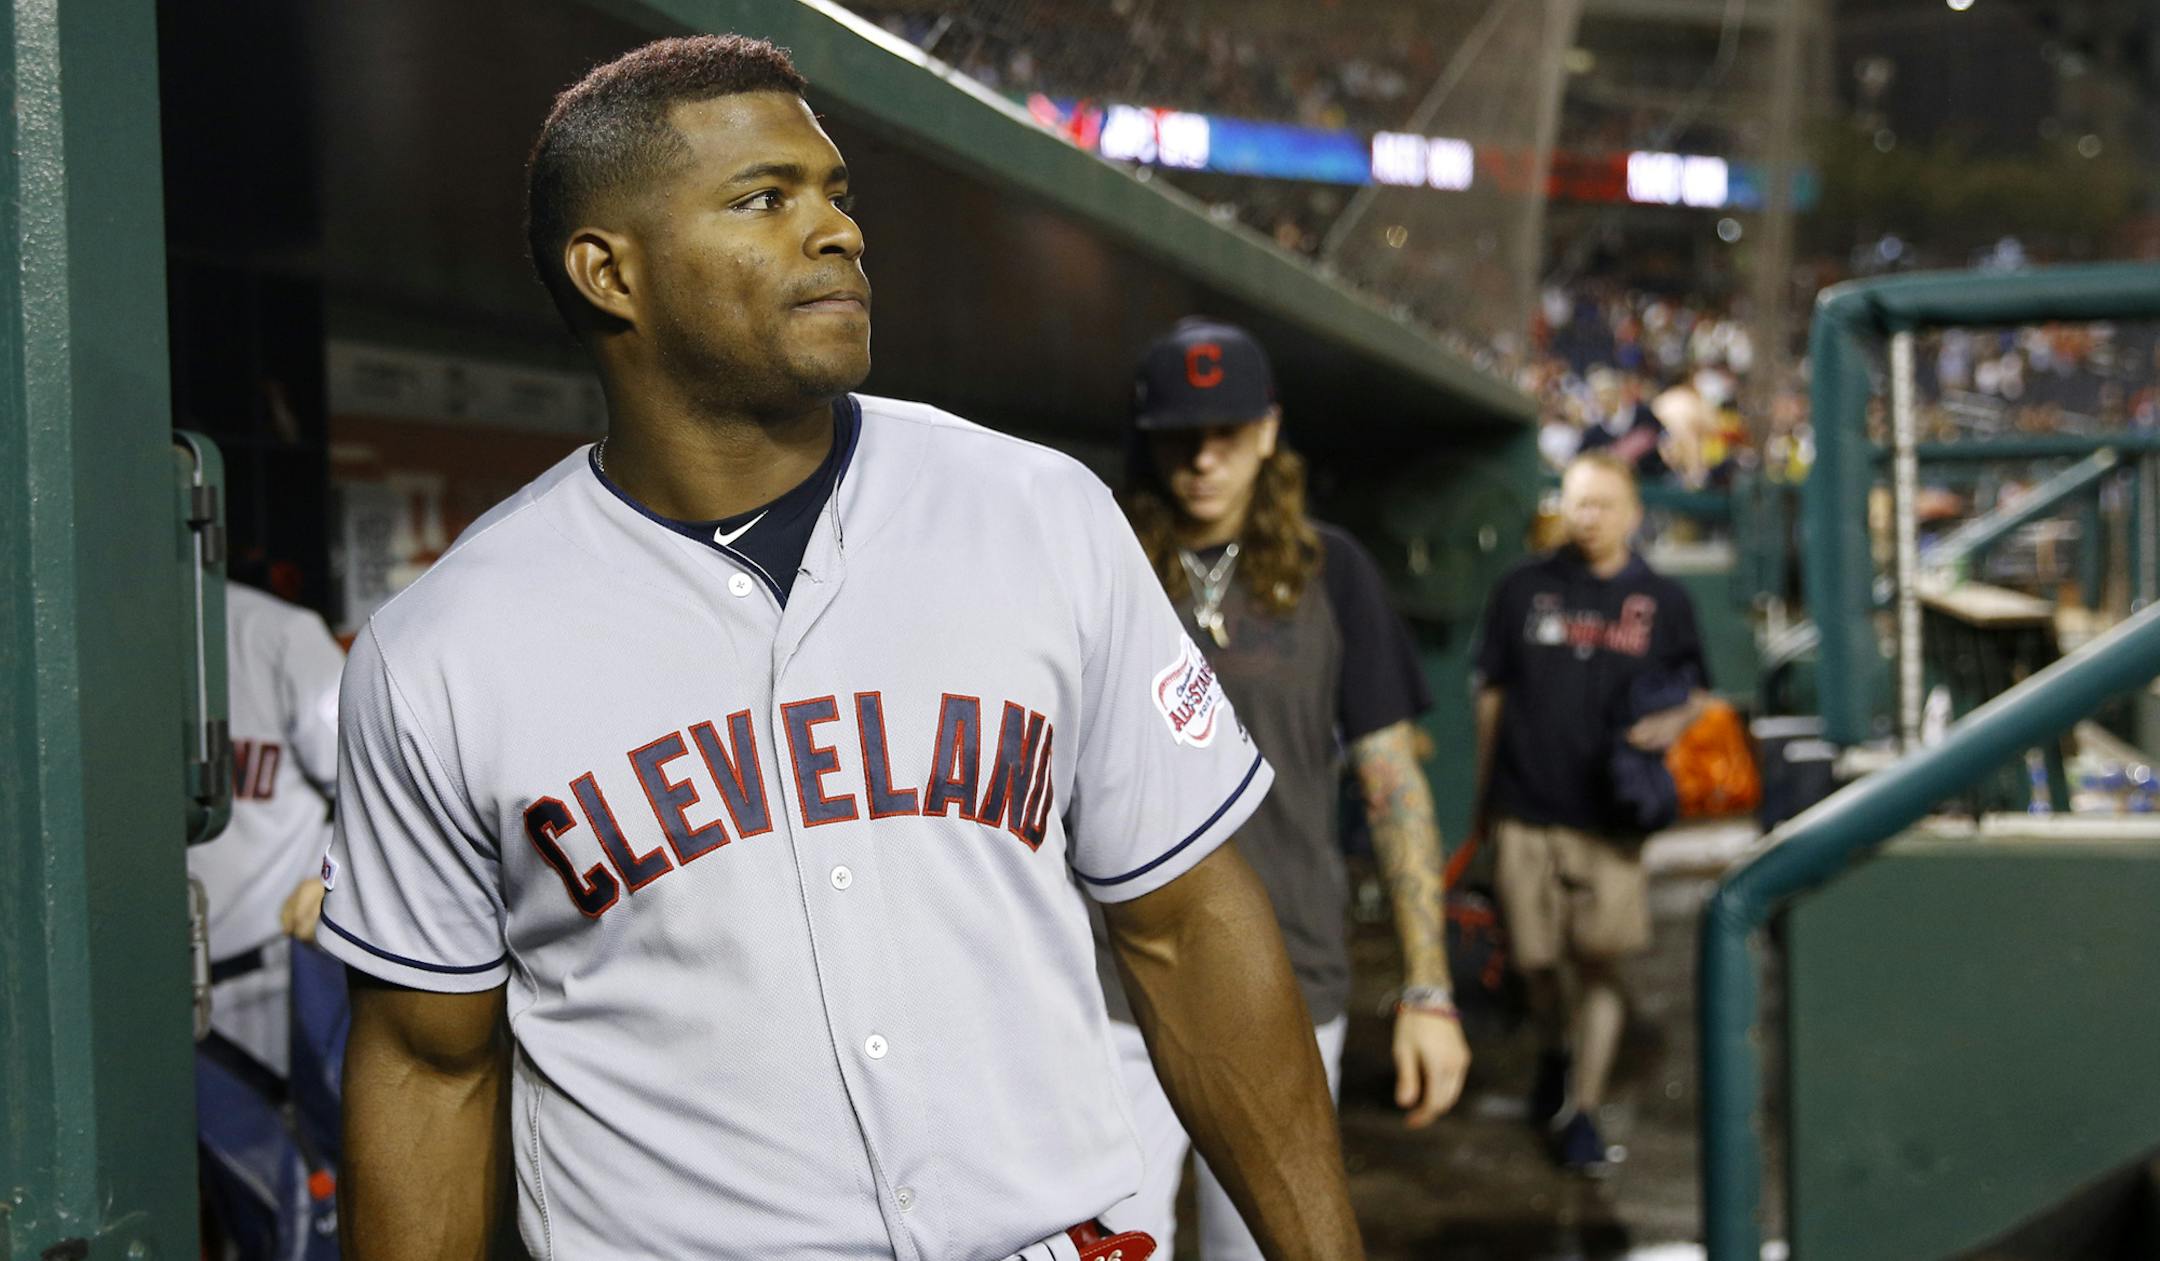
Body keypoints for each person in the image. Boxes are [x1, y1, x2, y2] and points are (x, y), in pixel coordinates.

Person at [318, 35, 1365, 1261]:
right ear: (611, 273)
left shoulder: (1036, 512)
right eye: (766, 199)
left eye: (838, 194)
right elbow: (428, 1068)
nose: (837, 231)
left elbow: (1186, 927)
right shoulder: (445, 647)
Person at [1094, 318, 1471, 1257]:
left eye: (1226, 430)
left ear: (1268, 431)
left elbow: (1394, 782)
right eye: (1181, 431)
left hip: (1285, 979)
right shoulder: (1098, 558)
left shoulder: (1331, 569)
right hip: (1113, 984)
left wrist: (1428, 988)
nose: (1203, 455)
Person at [1469, 452, 1708, 1173]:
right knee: (1537, 963)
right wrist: (1483, 804)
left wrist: (1671, 725)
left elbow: (1696, 692)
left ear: (1634, 512)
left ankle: (1586, 1108)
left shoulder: (1665, 600)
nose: (1587, 515)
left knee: (1599, 968)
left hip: (1609, 820)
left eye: (1603, 503)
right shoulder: (1522, 587)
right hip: (1525, 807)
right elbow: (1491, 697)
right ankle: (1554, 1048)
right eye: (1577, 502)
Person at [192, 578, 347, 1257]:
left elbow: (379, 787)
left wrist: (333, 876)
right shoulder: (81, 629)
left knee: (288, 1221)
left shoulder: (275, 632)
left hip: (265, 991)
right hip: (132, 1005)